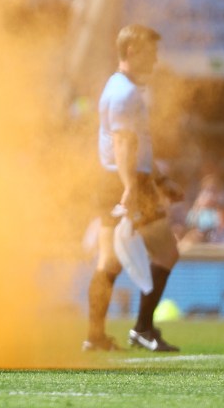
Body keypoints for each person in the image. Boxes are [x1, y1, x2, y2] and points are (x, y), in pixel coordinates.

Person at [85, 24, 180, 353]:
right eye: (150, 52)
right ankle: (142, 328)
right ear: (131, 52)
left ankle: (94, 336)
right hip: (128, 182)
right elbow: (124, 144)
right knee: (167, 252)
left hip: (109, 179)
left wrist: (161, 179)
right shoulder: (126, 93)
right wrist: (131, 187)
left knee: (108, 261)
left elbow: (129, 146)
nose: (155, 59)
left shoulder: (117, 87)